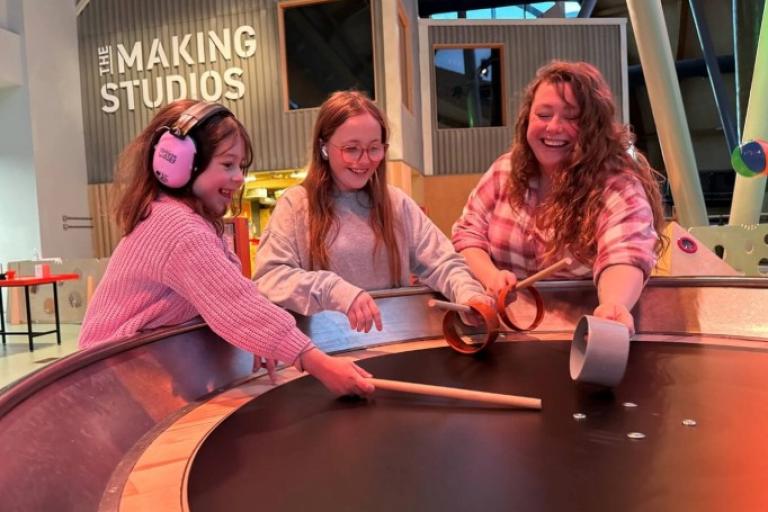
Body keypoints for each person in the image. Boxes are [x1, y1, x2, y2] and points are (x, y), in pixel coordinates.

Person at [79, 99, 374, 396]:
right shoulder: (176, 227)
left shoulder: (193, 221)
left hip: (129, 373)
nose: (238, 177)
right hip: (107, 382)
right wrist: (322, 365)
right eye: (227, 164)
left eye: (240, 166)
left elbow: (236, 293)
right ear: (179, 161)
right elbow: (236, 303)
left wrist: (263, 338)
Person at [452, 61, 666, 334]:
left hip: (583, 332)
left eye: (571, 117)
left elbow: (625, 253)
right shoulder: (504, 171)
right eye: (543, 114)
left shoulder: (617, 185)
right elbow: (468, 235)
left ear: (594, 126)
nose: (553, 127)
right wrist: (491, 277)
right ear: (527, 119)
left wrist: (614, 305)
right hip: (504, 332)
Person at [253, 91, 489, 332]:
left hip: (393, 337)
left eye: (374, 148)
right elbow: (269, 279)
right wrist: (333, 289)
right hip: (324, 348)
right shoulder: (295, 205)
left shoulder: (396, 202)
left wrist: (468, 293)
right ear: (324, 148)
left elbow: (443, 261)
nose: (364, 161)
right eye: (351, 149)